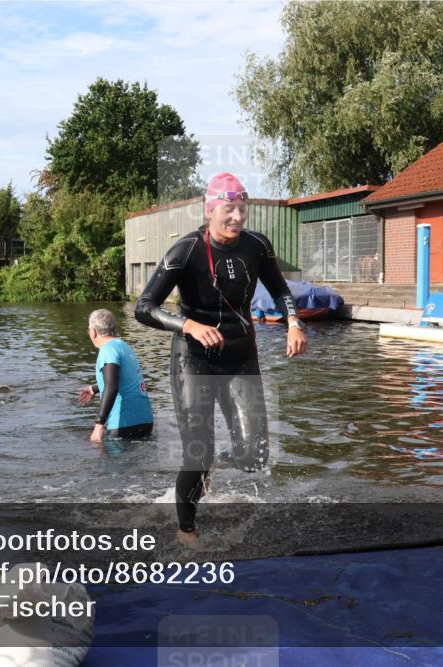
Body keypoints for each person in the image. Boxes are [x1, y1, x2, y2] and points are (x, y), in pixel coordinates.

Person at [135, 172, 308, 546]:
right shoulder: (186, 250)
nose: (237, 217)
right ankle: (187, 530)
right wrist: (188, 326)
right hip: (194, 360)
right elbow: (143, 308)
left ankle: (215, 462)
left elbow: (280, 290)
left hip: (241, 356)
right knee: (197, 452)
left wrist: (293, 322)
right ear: (210, 210)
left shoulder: (257, 246)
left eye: (242, 209)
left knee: (255, 456)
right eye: (228, 209)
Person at [77, 309, 154, 443]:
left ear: (93, 332)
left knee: (109, 462)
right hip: (146, 422)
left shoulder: (107, 350)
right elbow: (124, 380)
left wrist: (99, 424)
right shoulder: (124, 346)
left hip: (124, 424)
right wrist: (93, 389)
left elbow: (111, 386)